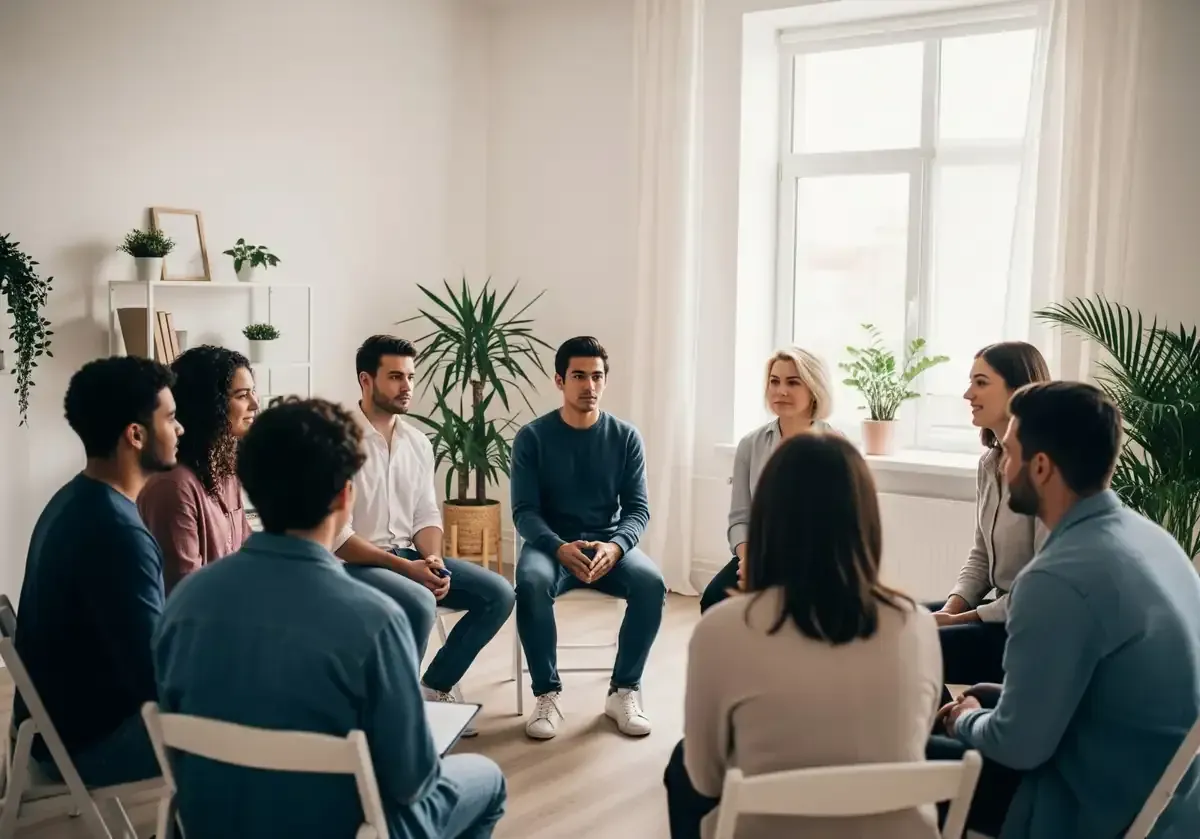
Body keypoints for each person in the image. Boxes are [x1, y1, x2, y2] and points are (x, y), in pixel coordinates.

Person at [153, 397, 507, 839]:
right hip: (345, 827)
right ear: (345, 495)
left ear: (249, 486)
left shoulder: (184, 603)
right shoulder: (375, 620)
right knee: (487, 780)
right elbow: (411, 781)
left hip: (218, 823)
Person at [930, 381, 1200, 839]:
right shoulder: (1149, 538)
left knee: (904, 757)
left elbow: (1018, 748)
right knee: (980, 693)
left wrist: (964, 720)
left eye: (1010, 453)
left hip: (1095, 804)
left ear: (1041, 467)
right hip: (1168, 787)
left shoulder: (1055, 578)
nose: (1004, 465)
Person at [666, 434, 941, 839]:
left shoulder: (722, 629)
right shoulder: (915, 624)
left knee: (681, 762)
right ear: (865, 518)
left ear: (767, 518)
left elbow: (706, 779)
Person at [14, 356, 180, 786]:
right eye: (171, 418)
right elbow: (157, 680)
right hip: (88, 747)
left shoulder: (73, 499)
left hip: (51, 731)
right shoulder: (117, 532)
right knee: (258, 716)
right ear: (136, 434)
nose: (179, 429)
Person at [334, 336, 515, 716]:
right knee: (417, 600)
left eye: (411, 377)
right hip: (355, 565)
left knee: (498, 593)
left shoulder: (418, 442)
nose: (407, 387)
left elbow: (426, 515)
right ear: (366, 381)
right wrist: (406, 568)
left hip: (411, 556)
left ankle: (430, 691)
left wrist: (432, 559)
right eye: (396, 376)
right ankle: (392, 712)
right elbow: (337, 537)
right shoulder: (335, 441)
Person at [511, 336, 665, 740]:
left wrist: (616, 547)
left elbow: (637, 509)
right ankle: (547, 693)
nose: (589, 386)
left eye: (597, 376)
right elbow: (524, 512)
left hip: (606, 545)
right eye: (579, 376)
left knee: (651, 584)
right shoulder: (532, 437)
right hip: (551, 546)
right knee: (530, 583)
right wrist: (558, 547)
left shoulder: (626, 437)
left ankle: (623, 690)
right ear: (559, 380)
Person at [928, 342, 1049, 693]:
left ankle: (936, 743)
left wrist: (958, 619)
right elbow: (981, 555)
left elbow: (1041, 591)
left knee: (912, 644)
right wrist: (950, 609)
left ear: (1018, 390)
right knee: (901, 623)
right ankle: (937, 736)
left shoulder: (1044, 474)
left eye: (981, 383)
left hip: (1025, 626)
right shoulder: (989, 464)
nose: (968, 394)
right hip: (995, 611)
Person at [700, 347, 835, 613]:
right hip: (759, 554)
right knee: (715, 600)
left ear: (814, 388)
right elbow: (740, 517)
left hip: (815, 561)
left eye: (793, 382)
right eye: (774, 381)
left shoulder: (835, 446)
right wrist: (748, 558)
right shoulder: (750, 444)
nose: (780, 390)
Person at [138, 345, 258, 593]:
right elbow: (185, 591)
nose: (255, 404)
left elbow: (246, 549)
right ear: (210, 404)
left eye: (252, 392)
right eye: (242, 395)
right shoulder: (174, 486)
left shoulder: (225, 469)